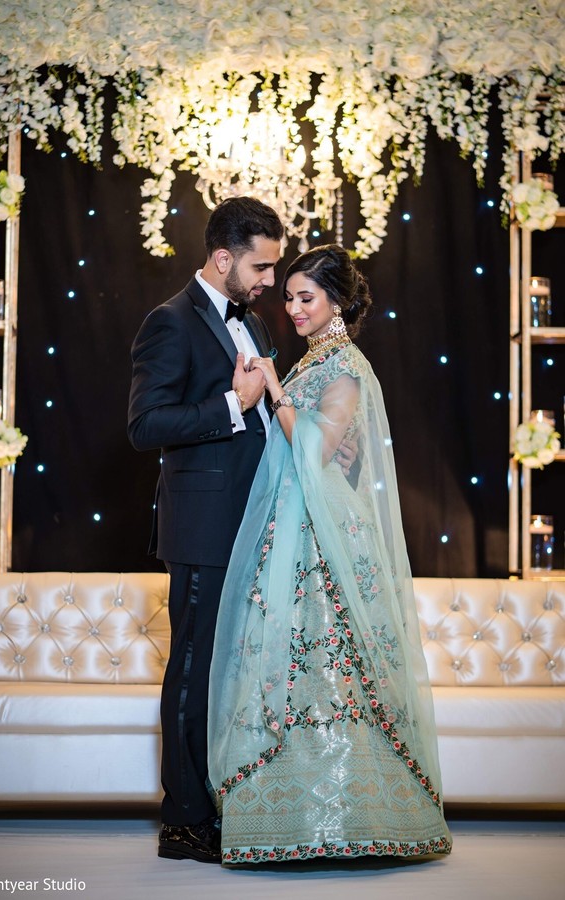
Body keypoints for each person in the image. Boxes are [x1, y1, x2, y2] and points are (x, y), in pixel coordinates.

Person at [208, 244, 453, 864]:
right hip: (295, 525)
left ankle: (346, 817)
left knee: (328, 665)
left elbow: (315, 452)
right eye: (288, 296)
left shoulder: (343, 367)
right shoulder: (317, 361)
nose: (292, 308)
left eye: (305, 297)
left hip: (319, 536)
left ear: (337, 302)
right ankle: (286, 816)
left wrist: (272, 389)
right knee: (290, 663)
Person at [128, 197, 284, 863]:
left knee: (230, 676)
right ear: (224, 259)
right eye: (263, 266)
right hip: (203, 529)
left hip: (252, 525)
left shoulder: (253, 323)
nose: (271, 281)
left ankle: (221, 803)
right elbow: (146, 426)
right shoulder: (169, 322)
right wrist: (232, 405)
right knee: (193, 673)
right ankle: (182, 819)